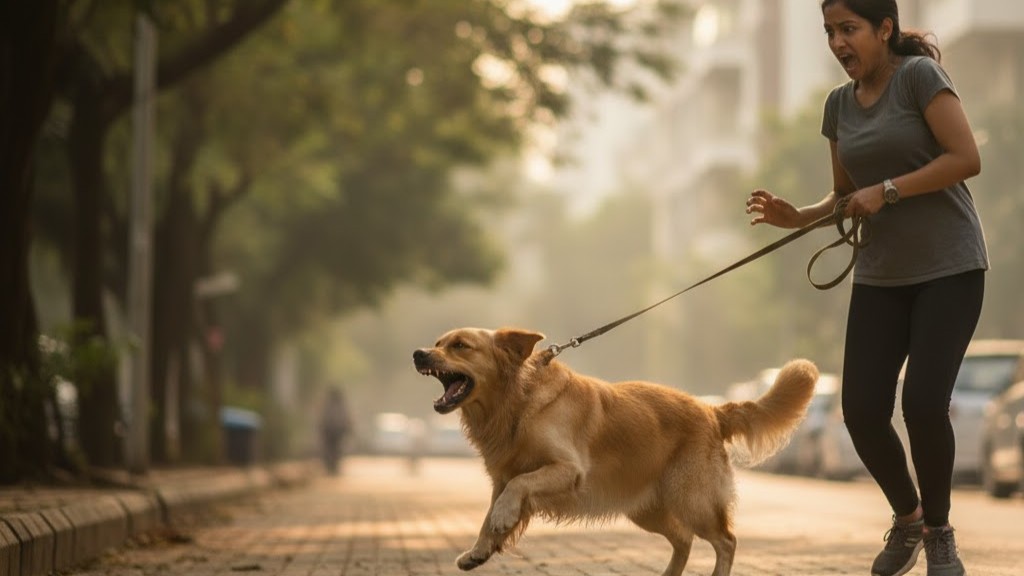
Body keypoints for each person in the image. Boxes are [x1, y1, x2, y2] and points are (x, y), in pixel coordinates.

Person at [744, 1, 988, 575]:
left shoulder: (919, 78)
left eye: (848, 29)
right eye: (829, 31)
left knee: (924, 403)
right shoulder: (838, 105)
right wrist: (798, 216)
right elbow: (845, 195)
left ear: (885, 29)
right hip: (881, 274)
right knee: (860, 411)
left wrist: (892, 190)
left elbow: (966, 158)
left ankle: (939, 533)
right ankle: (908, 518)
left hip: (949, 268)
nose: (837, 42)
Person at [320, 388, 353, 476]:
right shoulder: (335, 405)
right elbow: (346, 419)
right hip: (333, 432)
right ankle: (331, 466)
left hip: (334, 432)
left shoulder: (329, 405)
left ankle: (333, 466)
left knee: (334, 450)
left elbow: (323, 420)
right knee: (333, 450)